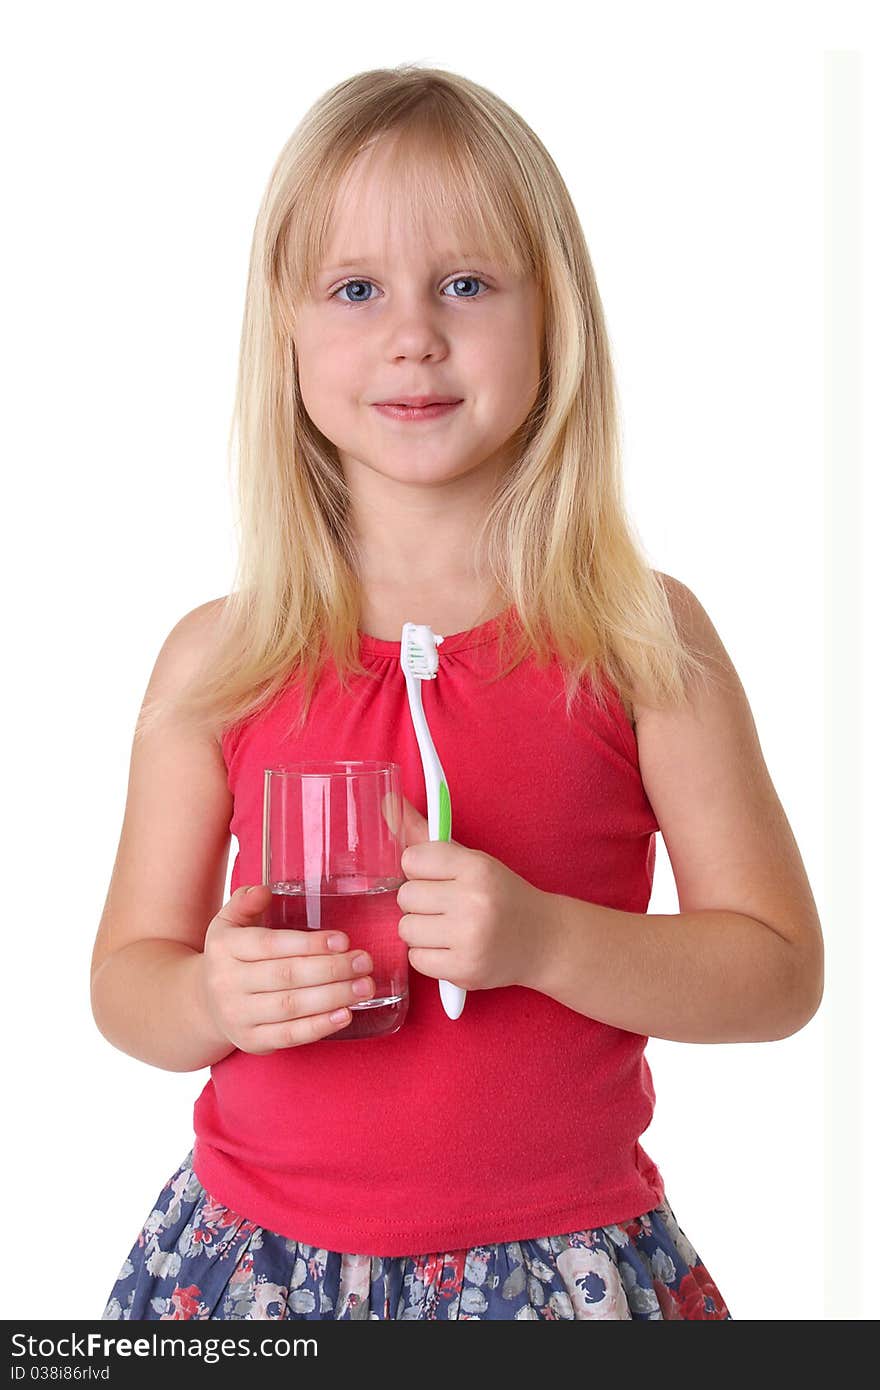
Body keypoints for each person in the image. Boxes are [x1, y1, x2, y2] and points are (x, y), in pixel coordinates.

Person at [92, 64, 823, 1321]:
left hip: (558, 1266)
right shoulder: (220, 661)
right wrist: (210, 996)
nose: (413, 331)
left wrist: (543, 939)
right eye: (355, 288)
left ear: (556, 321)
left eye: (468, 284)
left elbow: (775, 972)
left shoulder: (643, 640)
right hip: (258, 1265)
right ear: (288, 330)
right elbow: (126, 982)